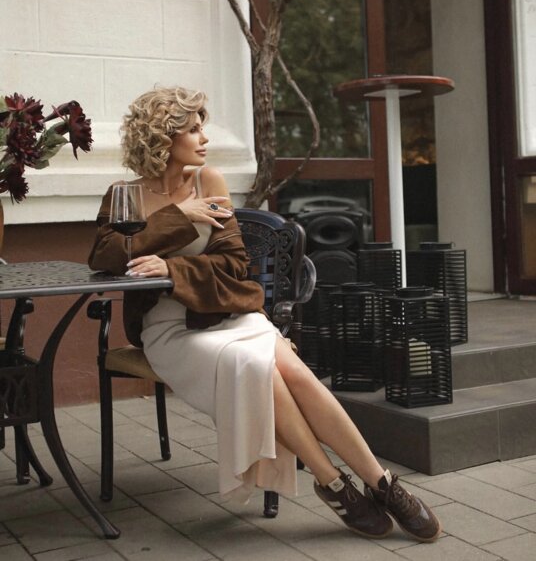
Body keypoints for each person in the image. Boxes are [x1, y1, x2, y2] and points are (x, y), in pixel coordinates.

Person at [88, 86, 441, 543]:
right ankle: (334, 482)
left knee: (292, 370)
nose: (204, 138)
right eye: (193, 129)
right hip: (171, 328)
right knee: (264, 370)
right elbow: (105, 255)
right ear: (163, 137)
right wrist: (178, 216)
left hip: (229, 312)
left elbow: (234, 265)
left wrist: (173, 269)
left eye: (202, 128)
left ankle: (379, 483)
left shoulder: (209, 182)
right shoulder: (126, 194)